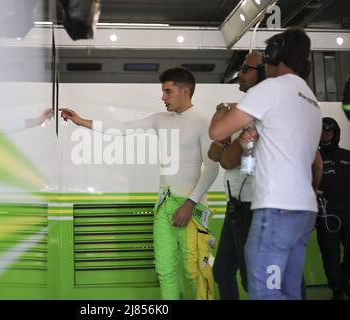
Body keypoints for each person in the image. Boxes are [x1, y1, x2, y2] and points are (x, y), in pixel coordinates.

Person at [60, 66, 219, 299]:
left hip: (191, 207)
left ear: (185, 91)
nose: (162, 97)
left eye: (167, 91)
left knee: (194, 271)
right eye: (163, 92)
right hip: (163, 204)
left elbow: (213, 168)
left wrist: (190, 204)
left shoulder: (203, 123)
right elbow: (123, 129)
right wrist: (82, 122)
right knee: (164, 270)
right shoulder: (159, 119)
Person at [209, 28, 322, 300]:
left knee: (263, 291)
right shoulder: (310, 99)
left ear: (273, 57)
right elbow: (316, 164)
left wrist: (223, 108)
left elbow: (217, 133)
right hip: (304, 210)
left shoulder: (271, 89)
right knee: (289, 290)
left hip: (275, 209)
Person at [208, 51, 264, 299]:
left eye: (246, 69)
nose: (239, 74)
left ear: (263, 73)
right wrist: (223, 111)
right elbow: (213, 152)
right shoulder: (241, 113)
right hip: (237, 206)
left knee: (251, 278)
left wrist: (226, 144)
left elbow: (227, 159)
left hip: (252, 206)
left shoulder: (256, 114)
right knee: (222, 271)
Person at [316, 117, 350, 300]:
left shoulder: (347, 155)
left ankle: (344, 281)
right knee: (330, 255)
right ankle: (337, 289)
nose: (326, 134)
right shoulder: (313, 157)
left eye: (329, 131)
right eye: (322, 131)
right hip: (326, 214)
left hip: (349, 212)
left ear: (336, 133)